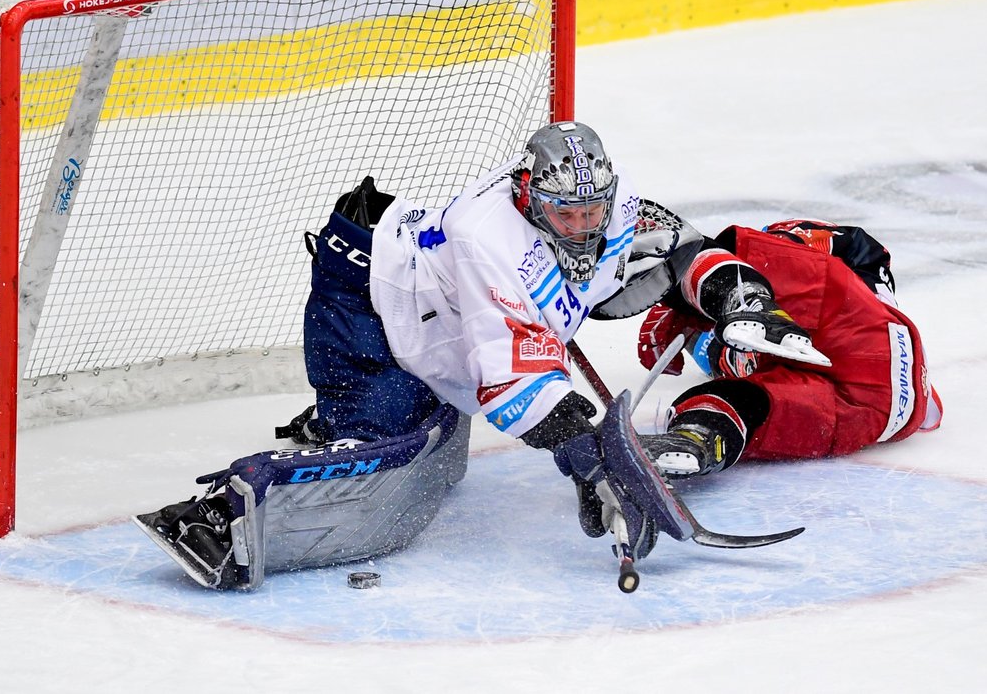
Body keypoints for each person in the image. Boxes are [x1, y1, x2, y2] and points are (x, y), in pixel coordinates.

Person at [135, 121, 913, 590]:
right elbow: (515, 388)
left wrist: (727, 286)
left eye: (592, 210)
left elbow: (657, 257)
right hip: (370, 303)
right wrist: (589, 458)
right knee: (397, 451)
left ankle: (344, 410)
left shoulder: (607, 200)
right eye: (564, 212)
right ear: (528, 195)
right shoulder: (488, 240)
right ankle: (224, 516)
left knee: (443, 438)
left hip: (433, 310)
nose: (582, 225)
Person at [637, 219, 942, 468]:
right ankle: (697, 438)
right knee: (761, 406)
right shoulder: (721, 351)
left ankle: (652, 251)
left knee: (761, 270)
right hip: (881, 412)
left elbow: (851, 248)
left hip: (867, 342)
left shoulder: (818, 261)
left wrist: (673, 290)